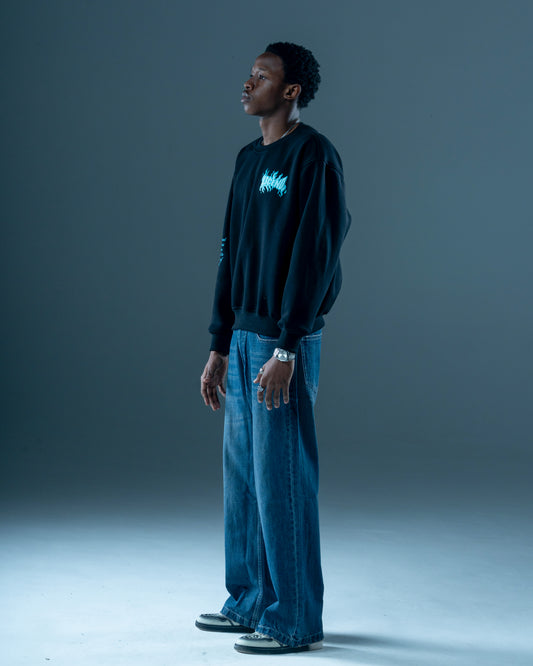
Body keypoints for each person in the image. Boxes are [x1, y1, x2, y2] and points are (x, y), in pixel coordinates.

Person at [197, 42, 351, 656]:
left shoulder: (313, 155)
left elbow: (317, 253)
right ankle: (249, 600)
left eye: (261, 77)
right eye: (249, 74)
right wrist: (218, 343)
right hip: (241, 336)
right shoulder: (246, 158)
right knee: (242, 481)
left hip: (280, 343)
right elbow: (229, 251)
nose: (247, 83)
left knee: (281, 478)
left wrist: (288, 346)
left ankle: (295, 619)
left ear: (290, 91)